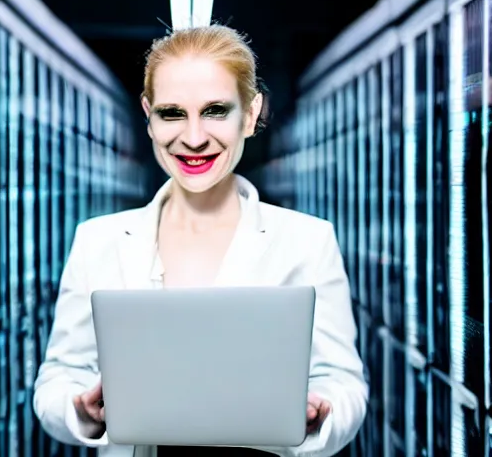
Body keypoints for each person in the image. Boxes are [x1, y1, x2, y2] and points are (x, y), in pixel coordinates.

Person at [33, 24, 366, 455]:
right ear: (148, 115)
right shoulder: (97, 241)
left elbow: (346, 386)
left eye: (214, 111)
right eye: (172, 113)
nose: (192, 138)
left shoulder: (309, 241)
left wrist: (322, 415)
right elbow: (56, 380)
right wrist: (80, 408)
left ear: (250, 114)